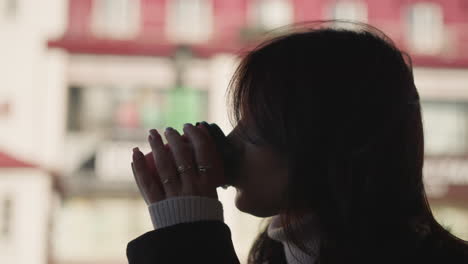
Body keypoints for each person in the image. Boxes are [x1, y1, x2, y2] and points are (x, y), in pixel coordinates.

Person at [127, 20, 468, 264]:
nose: (231, 143)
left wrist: (189, 239)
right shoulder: (278, 253)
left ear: (324, 143)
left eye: (255, 130)